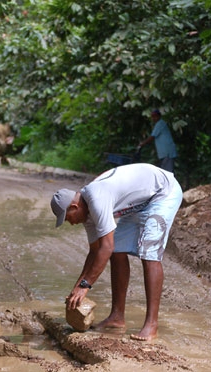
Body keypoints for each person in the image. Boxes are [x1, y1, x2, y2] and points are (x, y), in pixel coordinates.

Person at [50, 163, 182, 341]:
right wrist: (78, 287)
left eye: (68, 218)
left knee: (149, 253)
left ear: (74, 207)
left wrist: (85, 286)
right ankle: (117, 317)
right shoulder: (87, 211)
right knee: (117, 251)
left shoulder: (96, 198)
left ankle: (151, 325)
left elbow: (106, 247)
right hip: (139, 202)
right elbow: (95, 251)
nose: (70, 223)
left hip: (162, 193)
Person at [138, 109, 177, 173]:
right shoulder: (159, 124)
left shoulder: (160, 124)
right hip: (164, 152)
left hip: (167, 151)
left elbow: (152, 137)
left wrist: (142, 144)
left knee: (167, 171)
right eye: (152, 117)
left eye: (155, 116)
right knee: (165, 170)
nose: (153, 118)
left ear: (159, 116)